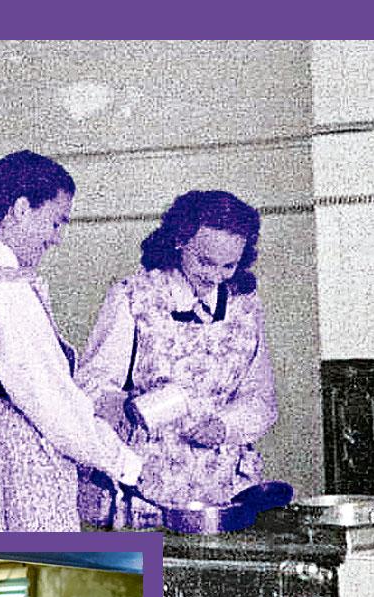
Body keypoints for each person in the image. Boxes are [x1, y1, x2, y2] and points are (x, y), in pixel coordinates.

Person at [0, 150, 153, 531]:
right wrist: (124, 464)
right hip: (1, 466)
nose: (57, 239)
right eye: (55, 222)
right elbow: (50, 400)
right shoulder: (3, 288)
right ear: (20, 209)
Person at [75, 189, 276, 528]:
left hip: (223, 484)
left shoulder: (244, 305)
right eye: (205, 262)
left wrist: (225, 426)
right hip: (146, 481)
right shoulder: (133, 296)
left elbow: (260, 398)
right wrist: (128, 406)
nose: (215, 276)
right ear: (179, 242)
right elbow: (91, 384)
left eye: (229, 265)